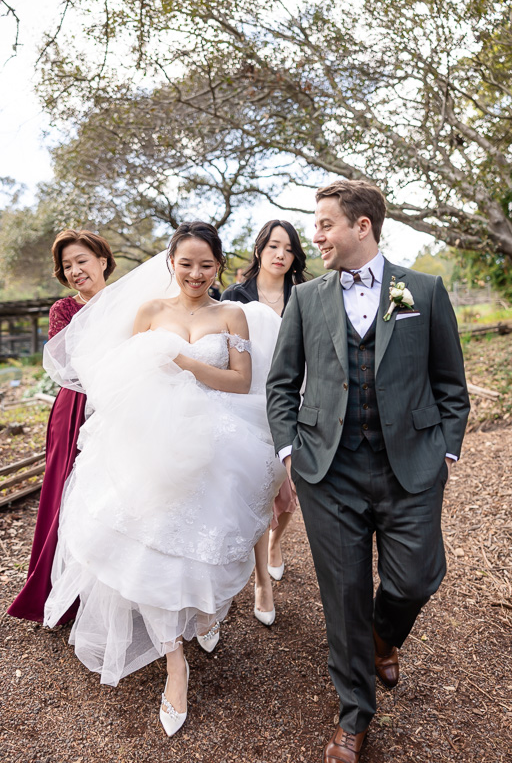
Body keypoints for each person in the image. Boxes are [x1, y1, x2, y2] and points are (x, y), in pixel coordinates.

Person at [42, 222, 285, 737]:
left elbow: (241, 381)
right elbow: (126, 380)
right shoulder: (150, 312)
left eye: (206, 264)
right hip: (156, 436)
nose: (195, 274)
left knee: (210, 540)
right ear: (171, 263)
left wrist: (178, 359)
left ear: (219, 266)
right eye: (186, 263)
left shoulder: (231, 313)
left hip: (220, 434)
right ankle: (175, 663)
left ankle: (205, 611)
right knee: (149, 543)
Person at [266, 181, 470, 763]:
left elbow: (451, 386)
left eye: (325, 224)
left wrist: (445, 453)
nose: (315, 235)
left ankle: (384, 636)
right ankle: (354, 716)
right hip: (329, 471)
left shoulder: (424, 292)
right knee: (344, 595)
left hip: (411, 465)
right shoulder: (306, 299)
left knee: (415, 579)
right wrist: (290, 454)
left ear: (362, 227)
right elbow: (281, 385)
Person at [7, 229, 116, 624]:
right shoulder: (63, 311)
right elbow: (67, 366)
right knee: (67, 494)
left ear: (103, 260)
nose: (75, 271)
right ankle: (63, 591)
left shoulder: (131, 302)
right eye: (67, 265)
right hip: (77, 408)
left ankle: (115, 592)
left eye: (82, 261)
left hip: (125, 404)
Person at [222, 220, 309, 625]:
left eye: (288, 248)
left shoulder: (307, 295)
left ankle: (276, 540)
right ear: (259, 250)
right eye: (273, 245)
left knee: (292, 489)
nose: (280, 254)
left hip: (298, 403)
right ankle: (261, 582)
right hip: (248, 404)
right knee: (258, 493)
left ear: (295, 257)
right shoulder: (233, 297)